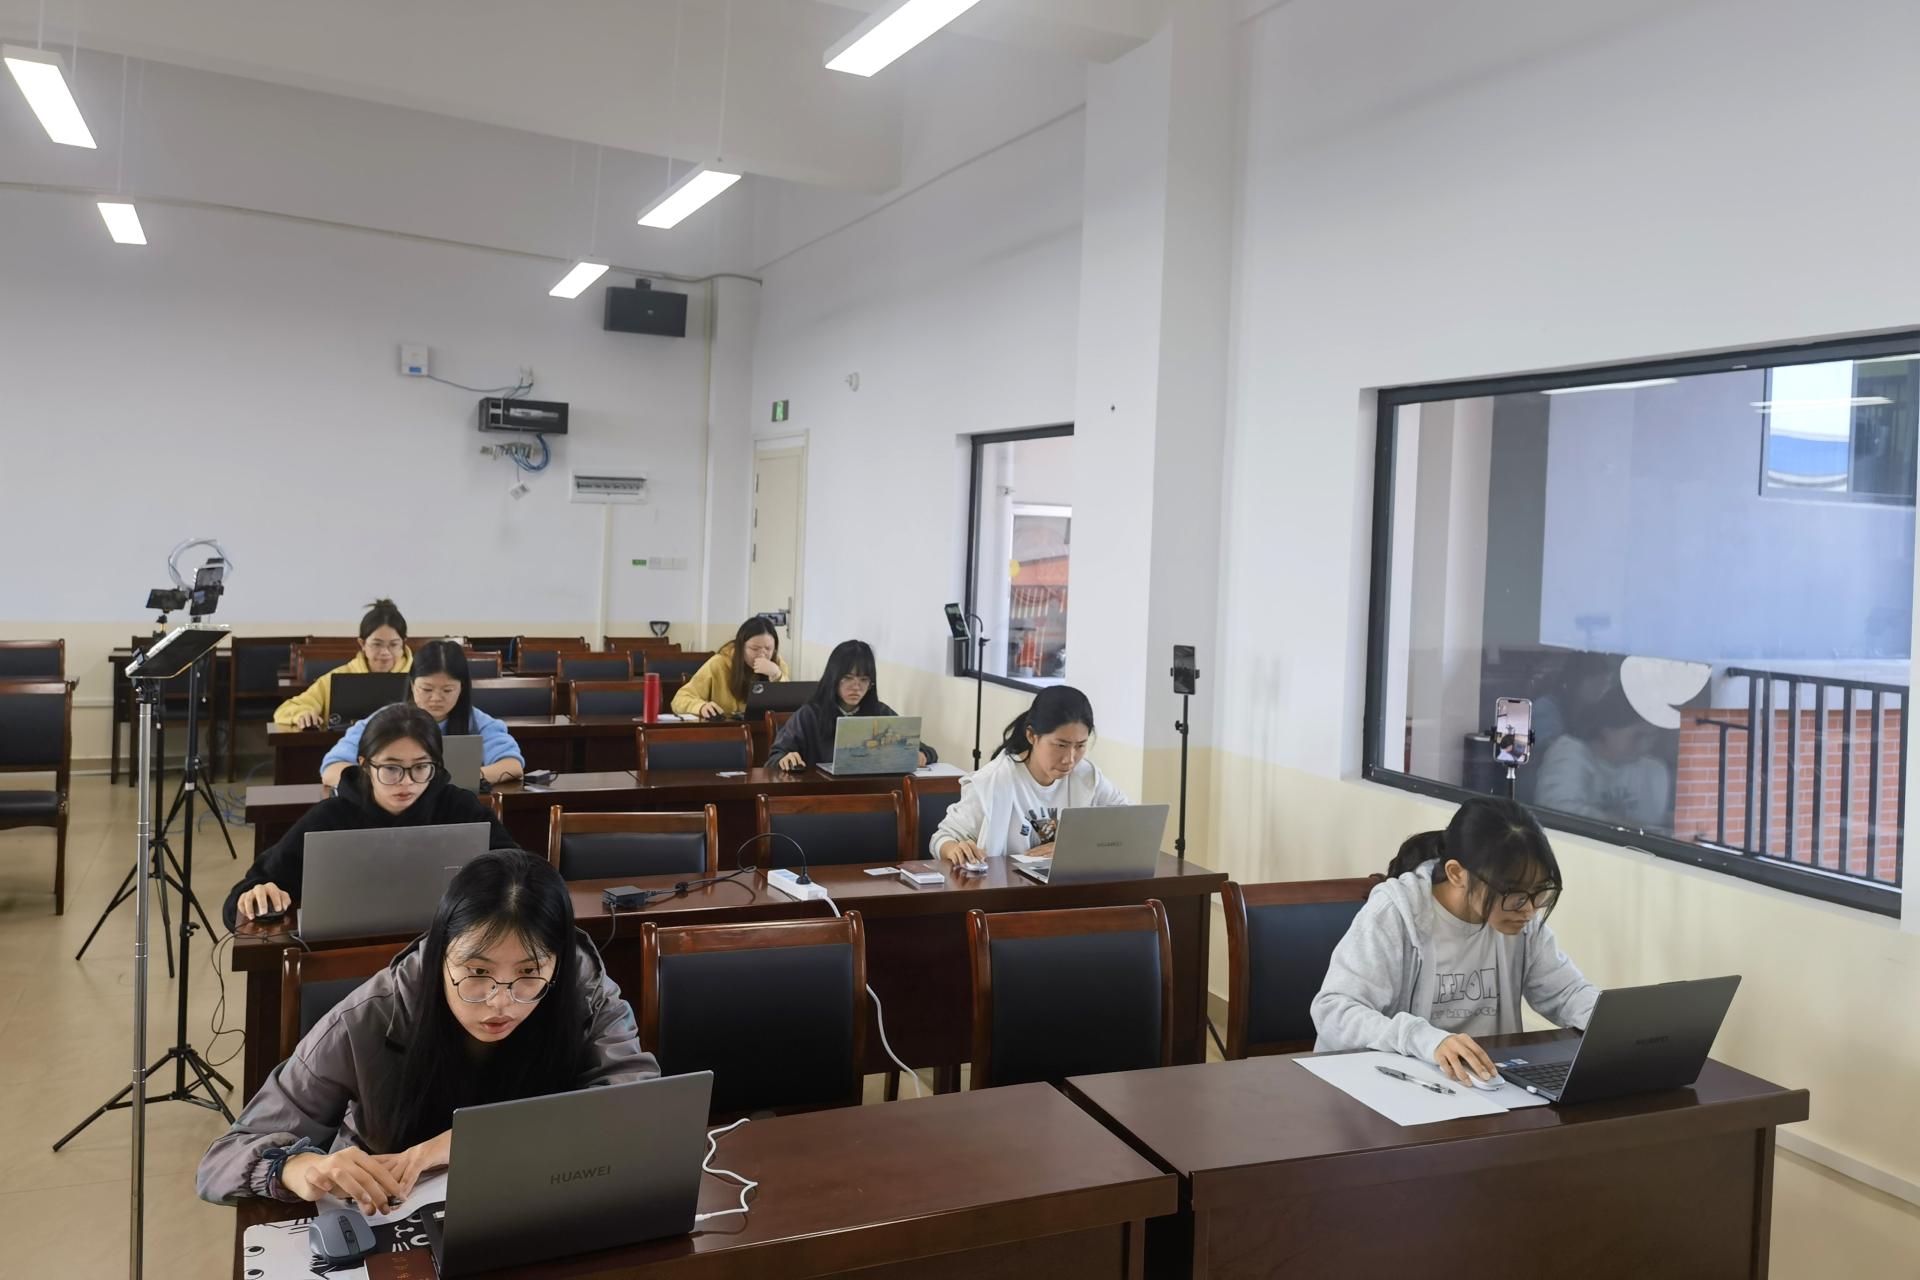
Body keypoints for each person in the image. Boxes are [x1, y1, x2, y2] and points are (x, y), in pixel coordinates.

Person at [197, 850, 657, 1206]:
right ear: (440, 954)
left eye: (529, 973)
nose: (500, 1001)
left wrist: (463, 1144)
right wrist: (296, 1168)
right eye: (476, 972)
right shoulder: (370, 1015)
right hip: (397, 1218)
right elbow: (221, 1161)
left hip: (540, 1203)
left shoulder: (583, 989)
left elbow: (638, 1108)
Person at [1310, 798, 1599, 1086]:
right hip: (1393, 1083)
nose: (1530, 910)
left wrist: (1611, 1025)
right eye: (1515, 895)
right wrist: (1424, 1039)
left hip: (1484, 1081)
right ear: (1456, 873)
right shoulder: (1395, 913)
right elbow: (1334, 1010)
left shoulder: (1521, 918)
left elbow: (1568, 994)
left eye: (1540, 892)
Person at [224, 704, 518, 929]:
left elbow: (519, 868)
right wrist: (255, 894)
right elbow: (245, 893)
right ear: (365, 765)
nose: (407, 782)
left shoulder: (459, 807)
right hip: (344, 955)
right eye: (391, 768)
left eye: (420, 767)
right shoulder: (330, 818)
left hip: (445, 949)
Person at [932, 685, 1125, 864]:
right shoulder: (993, 781)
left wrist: (1073, 847)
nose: (1070, 759)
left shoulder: (1087, 776)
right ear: (1032, 735)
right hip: (1008, 886)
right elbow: (942, 838)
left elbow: (1129, 824)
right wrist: (955, 849)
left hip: (1069, 885)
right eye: (1061, 745)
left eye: (1080, 746)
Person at [319, 640, 524, 788]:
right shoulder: (385, 720)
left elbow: (512, 765)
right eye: (426, 689)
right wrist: (383, 781)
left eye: (447, 690)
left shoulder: (478, 722)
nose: (436, 698)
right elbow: (332, 768)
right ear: (412, 685)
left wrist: (466, 778)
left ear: (462, 688)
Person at [769, 640, 936, 771]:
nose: (856, 687)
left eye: (864, 680)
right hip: (821, 794)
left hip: (870, 793)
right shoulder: (810, 714)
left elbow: (927, 750)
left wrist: (921, 755)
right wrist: (784, 758)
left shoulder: (880, 712)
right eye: (848, 678)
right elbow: (775, 757)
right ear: (833, 678)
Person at [274, 598, 413, 730]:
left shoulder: (418, 677)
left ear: (403, 643)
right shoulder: (339, 677)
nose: (385, 652)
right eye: (377, 644)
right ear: (362, 644)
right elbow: (285, 710)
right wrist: (303, 713)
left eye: (393, 645)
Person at [671, 616, 789, 720]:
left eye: (768, 649)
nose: (762, 655)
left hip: (765, 730)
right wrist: (701, 707)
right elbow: (679, 699)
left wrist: (776, 676)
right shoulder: (718, 663)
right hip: (727, 731)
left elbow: (788, 706)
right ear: (740, 647)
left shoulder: (777, 665)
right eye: (754, 649)